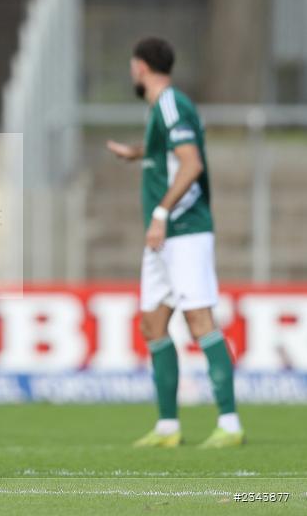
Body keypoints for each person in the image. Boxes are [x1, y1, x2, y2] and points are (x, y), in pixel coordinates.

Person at [107, 37, 244, 448]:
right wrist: (137, 153)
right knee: (152, 323)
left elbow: (191, 163)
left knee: (199, 319)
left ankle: (230, 424)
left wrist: (163, 214)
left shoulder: (169, 104)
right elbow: (171, 152)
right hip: (164, 237)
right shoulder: (163, 108)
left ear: (141, 67)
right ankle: (168, 427)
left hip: (183, 231)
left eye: (133, 65)